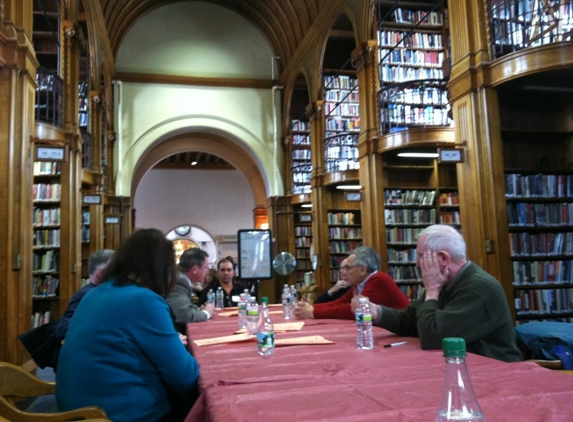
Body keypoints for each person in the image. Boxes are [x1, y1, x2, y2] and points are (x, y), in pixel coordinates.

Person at [56, 228, 200, 422]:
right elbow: (185, 377)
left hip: (75, 411)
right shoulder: (143, 300)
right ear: (161, 267)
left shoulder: (94, 293)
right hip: (118, 414)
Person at [352, 224, 522, 363]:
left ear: (443, 258)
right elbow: (410, 321)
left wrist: (432, 290)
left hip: (494, 371)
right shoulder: (445, 282)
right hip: (463, 366)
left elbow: (432, 338)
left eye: (420, 256)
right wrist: (376, 311)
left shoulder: (478, 288)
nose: (417, 264)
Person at [294, 246, 409, 320]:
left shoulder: (380, 280)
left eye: (347, 268)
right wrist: (310, 307)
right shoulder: (359, 284)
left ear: (362, 270)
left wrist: (313, 312)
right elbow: (339, 303)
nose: (344, 272)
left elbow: (352, 311)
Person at [54, 249, 115, 342]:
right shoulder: (86, 295)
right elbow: (63, 329)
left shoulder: (109, 293)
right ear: (100, 275)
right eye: (116, 272)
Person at [166, 248, 215, 333]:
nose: (207, 271)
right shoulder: (179, 281)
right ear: (195, 269)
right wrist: (206, 313)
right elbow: (185, 316)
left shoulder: (180, 278)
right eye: (206, 267)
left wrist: (199, 310)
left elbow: (187, 305)